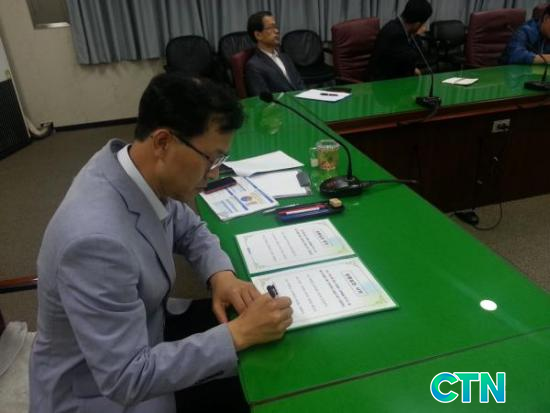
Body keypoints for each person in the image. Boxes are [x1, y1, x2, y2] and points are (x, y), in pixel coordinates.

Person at [29, 73, 293, 413]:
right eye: (211, 159)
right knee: (263, 383)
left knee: (265, 353)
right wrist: (237, 334)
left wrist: (221, 275)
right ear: (163, 142)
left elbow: (189, 228)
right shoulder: (95, 242)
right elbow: (127, 378)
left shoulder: (131, 169)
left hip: (147, 328)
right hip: (102, 394)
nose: (214, 173)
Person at [367, 0, 433, 81]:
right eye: (423, 24)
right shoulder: (396, 35)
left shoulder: (396, 25)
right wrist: (417, 36)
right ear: (417, 24)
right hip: (382, 83)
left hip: (392, 76)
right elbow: (412, 60)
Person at [245, 11, 305, 96]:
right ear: (258, 35)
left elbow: (299, 84)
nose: (277, 31)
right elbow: (262, 99)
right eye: (270, 28)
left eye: (276, 27)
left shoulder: (285, 57)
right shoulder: (254, 66)